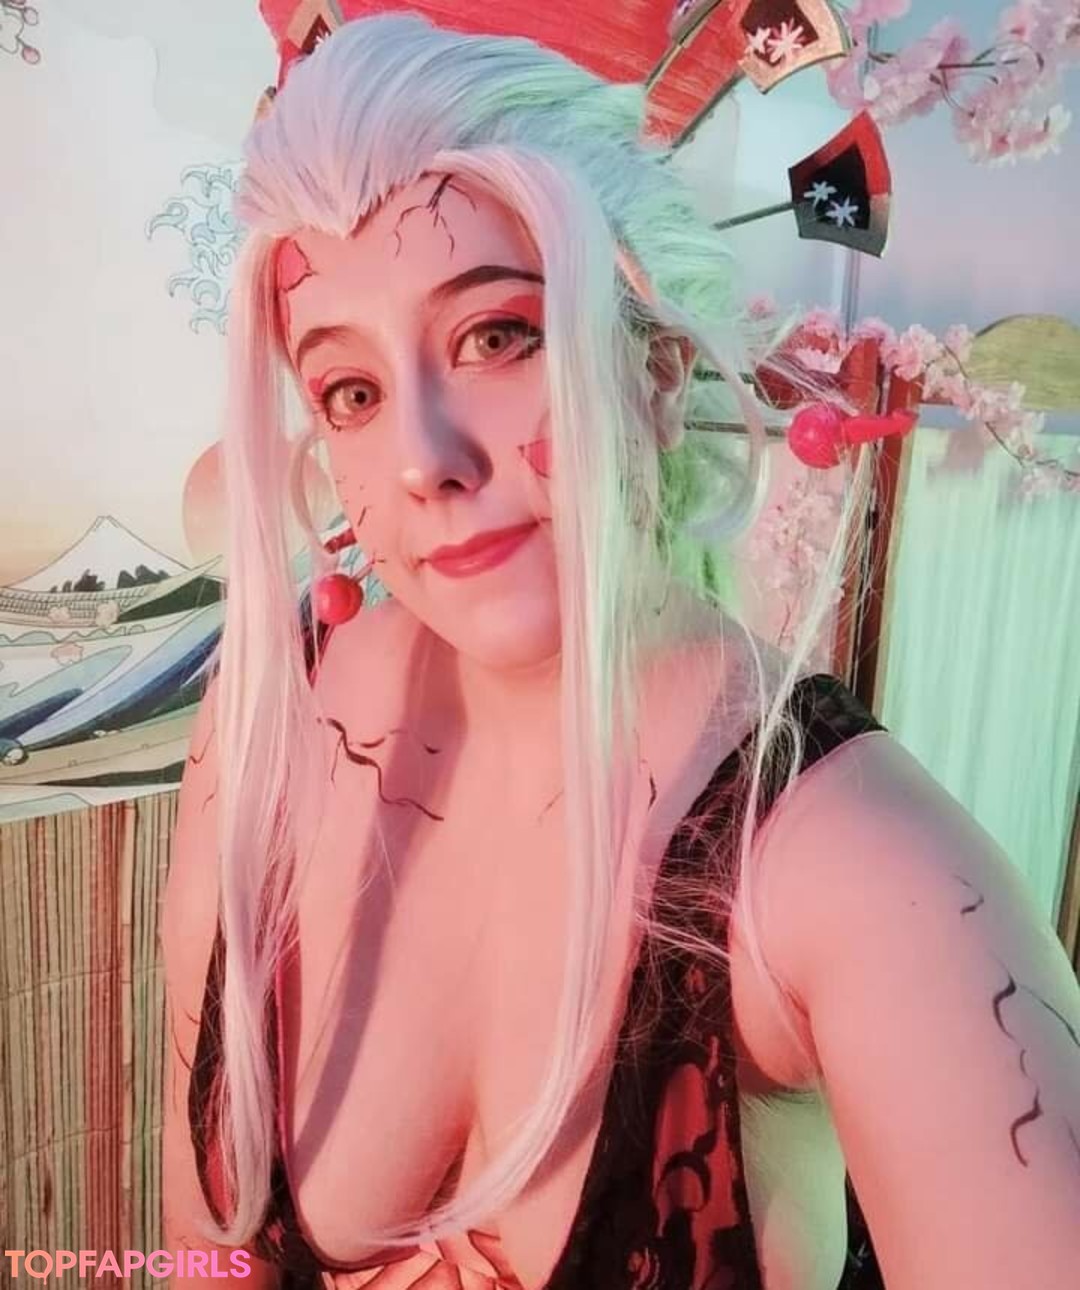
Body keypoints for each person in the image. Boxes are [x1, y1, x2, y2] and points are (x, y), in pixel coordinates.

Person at [161, 12, 1080, 1290]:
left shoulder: (867, 876)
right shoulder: (269, 726)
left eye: (497, 336)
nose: (424, 461)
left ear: (654, 370)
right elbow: (198, 1258)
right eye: (352, 392)